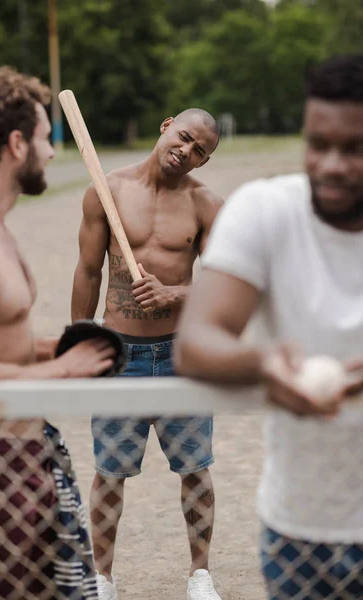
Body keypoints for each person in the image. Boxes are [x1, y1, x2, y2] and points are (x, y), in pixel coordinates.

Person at [175, 54, 363, 600]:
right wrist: (263, 361)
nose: (330, 164)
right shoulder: (265, 209)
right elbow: (198, 340)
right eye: (318, 143)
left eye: (354, 148)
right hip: (299, 529)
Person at [0, 66, 119, 600]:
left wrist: (51, 349)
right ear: (14, 144)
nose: (52, 152)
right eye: (44, 137)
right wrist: (62, 370)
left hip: (27, 455)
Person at [72, 108, 223, 599]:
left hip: (183, 355)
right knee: (109, 474)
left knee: (196, 471)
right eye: (184, 137)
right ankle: (103, 579)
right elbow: (88, 270)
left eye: (200, 150)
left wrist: (175, 293)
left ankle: (199, 576)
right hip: (119, 354)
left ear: (203, 161)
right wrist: (80, 339)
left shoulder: (205, 206)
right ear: (165, 126)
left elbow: (226, 287)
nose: (187, 151)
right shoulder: (107, 189)